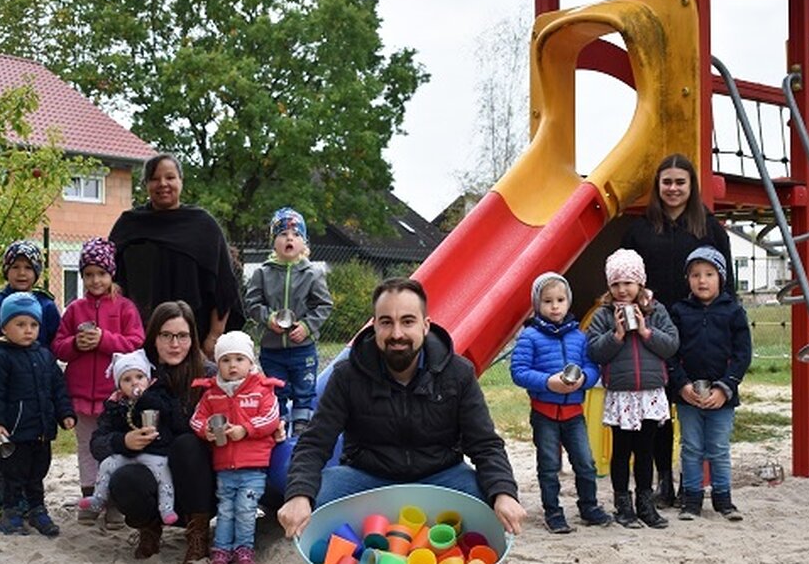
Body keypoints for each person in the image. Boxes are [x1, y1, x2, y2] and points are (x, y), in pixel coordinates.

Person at [278, 277, 527, 539]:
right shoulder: (347, 375)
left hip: (441, 475)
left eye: (408, 321)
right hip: (366, 476)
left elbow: (485, 444)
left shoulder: (458, 373)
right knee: (317, 498)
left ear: (425, 326)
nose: (397, 334)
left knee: (486, 505)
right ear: (374, 327)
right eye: (386, 322)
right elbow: (315, 442)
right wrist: (299, 495)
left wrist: (504, 493)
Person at [622, 153, 734, 508]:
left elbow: (726, 281)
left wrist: (726, 321)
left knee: (693, 402)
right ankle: (663, 480)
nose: (673, 189)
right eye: (666, 182)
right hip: (652, 327)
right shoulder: (639, 229)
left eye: (680, 182)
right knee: (657, 407)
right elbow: (626, 278)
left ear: (691, 186)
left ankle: (691, 482)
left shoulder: (710, 228)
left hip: (698, 325)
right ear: (658, 186)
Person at [90, 301, 216, 563]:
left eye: (182, 336)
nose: (174, 344)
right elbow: (98, 442)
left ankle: (199, 532)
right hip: (151, 475)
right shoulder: (134, 373)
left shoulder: (209, 375)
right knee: (124, 478)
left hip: (199, 482)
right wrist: (123, 440)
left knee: (186, 444)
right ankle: (149, 528)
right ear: (154, 336)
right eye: (166, 335)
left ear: (192, 338)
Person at [108, 153, 244, 361]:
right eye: (155, 179)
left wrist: (214, 337)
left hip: (193, 341)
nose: (163, 184)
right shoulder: (129, 225)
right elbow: (107, 278)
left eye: (170, 177)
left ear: (181, 180)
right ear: (146, 184)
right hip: (139, 341)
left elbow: (223, 288)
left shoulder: (203, 225)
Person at [51, 237, 144, 526]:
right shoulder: (75, 309)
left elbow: (136, 341)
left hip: (113, 394)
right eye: (88, 274)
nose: (95, 280)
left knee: (113, 447)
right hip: (79, 392)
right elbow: (57, 346)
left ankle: (115, 500)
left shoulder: (125, 307)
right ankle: (90, 498)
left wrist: (105, 340)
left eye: (101, 274)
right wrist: (76, 344)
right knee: (86, 447)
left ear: (111, 274)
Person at [510, 272, 610, 534]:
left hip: (573, 413)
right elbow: (519, 371)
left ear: (568, 302)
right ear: (537, 305)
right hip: (544, 414)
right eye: (547, 301)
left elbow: (592, 367)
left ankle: (588, 506)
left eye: (560, 300)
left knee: (585, 463)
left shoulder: (579, 336)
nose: (555, 306)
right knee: (549, 465)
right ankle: (553, 511)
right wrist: (547, 382)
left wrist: (585, 379)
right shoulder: (530, 336)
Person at [0, 240, 62, 518]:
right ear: (6, 270)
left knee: (34, 444)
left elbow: (56, 340)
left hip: (35, 383)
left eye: (28, 268)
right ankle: (0, 493)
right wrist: (2, 357)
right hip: (7, 383)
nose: (22, 273)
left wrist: (38, 360)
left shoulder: (45, 304)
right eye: (16, 267)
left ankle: (28, 497)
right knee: (1, 442)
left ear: (37, 272)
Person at [586, 249, 679, 530]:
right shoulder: (603, 313)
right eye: (615, 284)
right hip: (622, 393)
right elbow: (594, 351)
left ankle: (645, 503)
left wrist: (645, 332)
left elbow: (672, 344)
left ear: (640, 282)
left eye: (628, 282)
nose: (622, 290)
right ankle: (622, 505)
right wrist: (616, 335)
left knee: (646, 451)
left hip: (650, 393)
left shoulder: (656, 310)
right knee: (622, 451)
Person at [0, 292, 75, 537]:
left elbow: (57, 387)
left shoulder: (44, 356)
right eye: (20, 324)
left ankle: (37, 510)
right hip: (14, 433)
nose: (28, 330)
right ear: (4, 326)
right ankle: (11, 511)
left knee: (37, 474)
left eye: (33, 325)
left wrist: (65, 412)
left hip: (41, 430)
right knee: (13, 474)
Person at [668, 246, 751, 521]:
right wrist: (682, 386)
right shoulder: (679, 312)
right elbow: (671, 353)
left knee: (718, 448)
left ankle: (723, 500)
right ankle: (691, 500)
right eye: (695, 275)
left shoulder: (733, 311)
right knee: (691, 446)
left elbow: (742, 355)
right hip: (689, 394)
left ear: (721, 278)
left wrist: (726, 387)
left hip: (721, 397)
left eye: (709, 274)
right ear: (688, 279)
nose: (702, 280)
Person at [189, 331, 283, 564]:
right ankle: (221, 549)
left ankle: (244, 548)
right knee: (225, 509)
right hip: (224, 466)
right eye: (226, 360)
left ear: (250, 362)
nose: (232, 366)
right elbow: (196, 419)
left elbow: (271, 417)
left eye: (239, 359)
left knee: (246, 510)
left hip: (253, 467)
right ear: (217, 363)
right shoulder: (212, 394)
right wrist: (206, 432)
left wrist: (246, 429)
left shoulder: (262, 390)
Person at [244, 207, 333, 437]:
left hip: (303, 349)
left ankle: (302, 433)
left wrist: (306, 326)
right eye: (282, 234)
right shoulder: (262, 274)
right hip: (272, 349)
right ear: (274, 242)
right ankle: (279, 428)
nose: (289, 238)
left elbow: (324, 305)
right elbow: (252, 304)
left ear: (304, 243)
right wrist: (269, 318)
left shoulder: (312, 274)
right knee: (277, 391)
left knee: (305, 392)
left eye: (296, 235)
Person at [79, 350, 179, 526]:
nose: (135, 383)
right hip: (126, 455)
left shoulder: (157, 395)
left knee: (164, 474)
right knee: (106, 465)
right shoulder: (115, 404)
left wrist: (145, 398)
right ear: (119, 385)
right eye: (127, 379)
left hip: (155, 453)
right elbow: (101, 436)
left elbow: (167, 412)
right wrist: (123, 441)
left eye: (139, 377)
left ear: (148, 378)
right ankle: (98, 499)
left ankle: (166, 508)